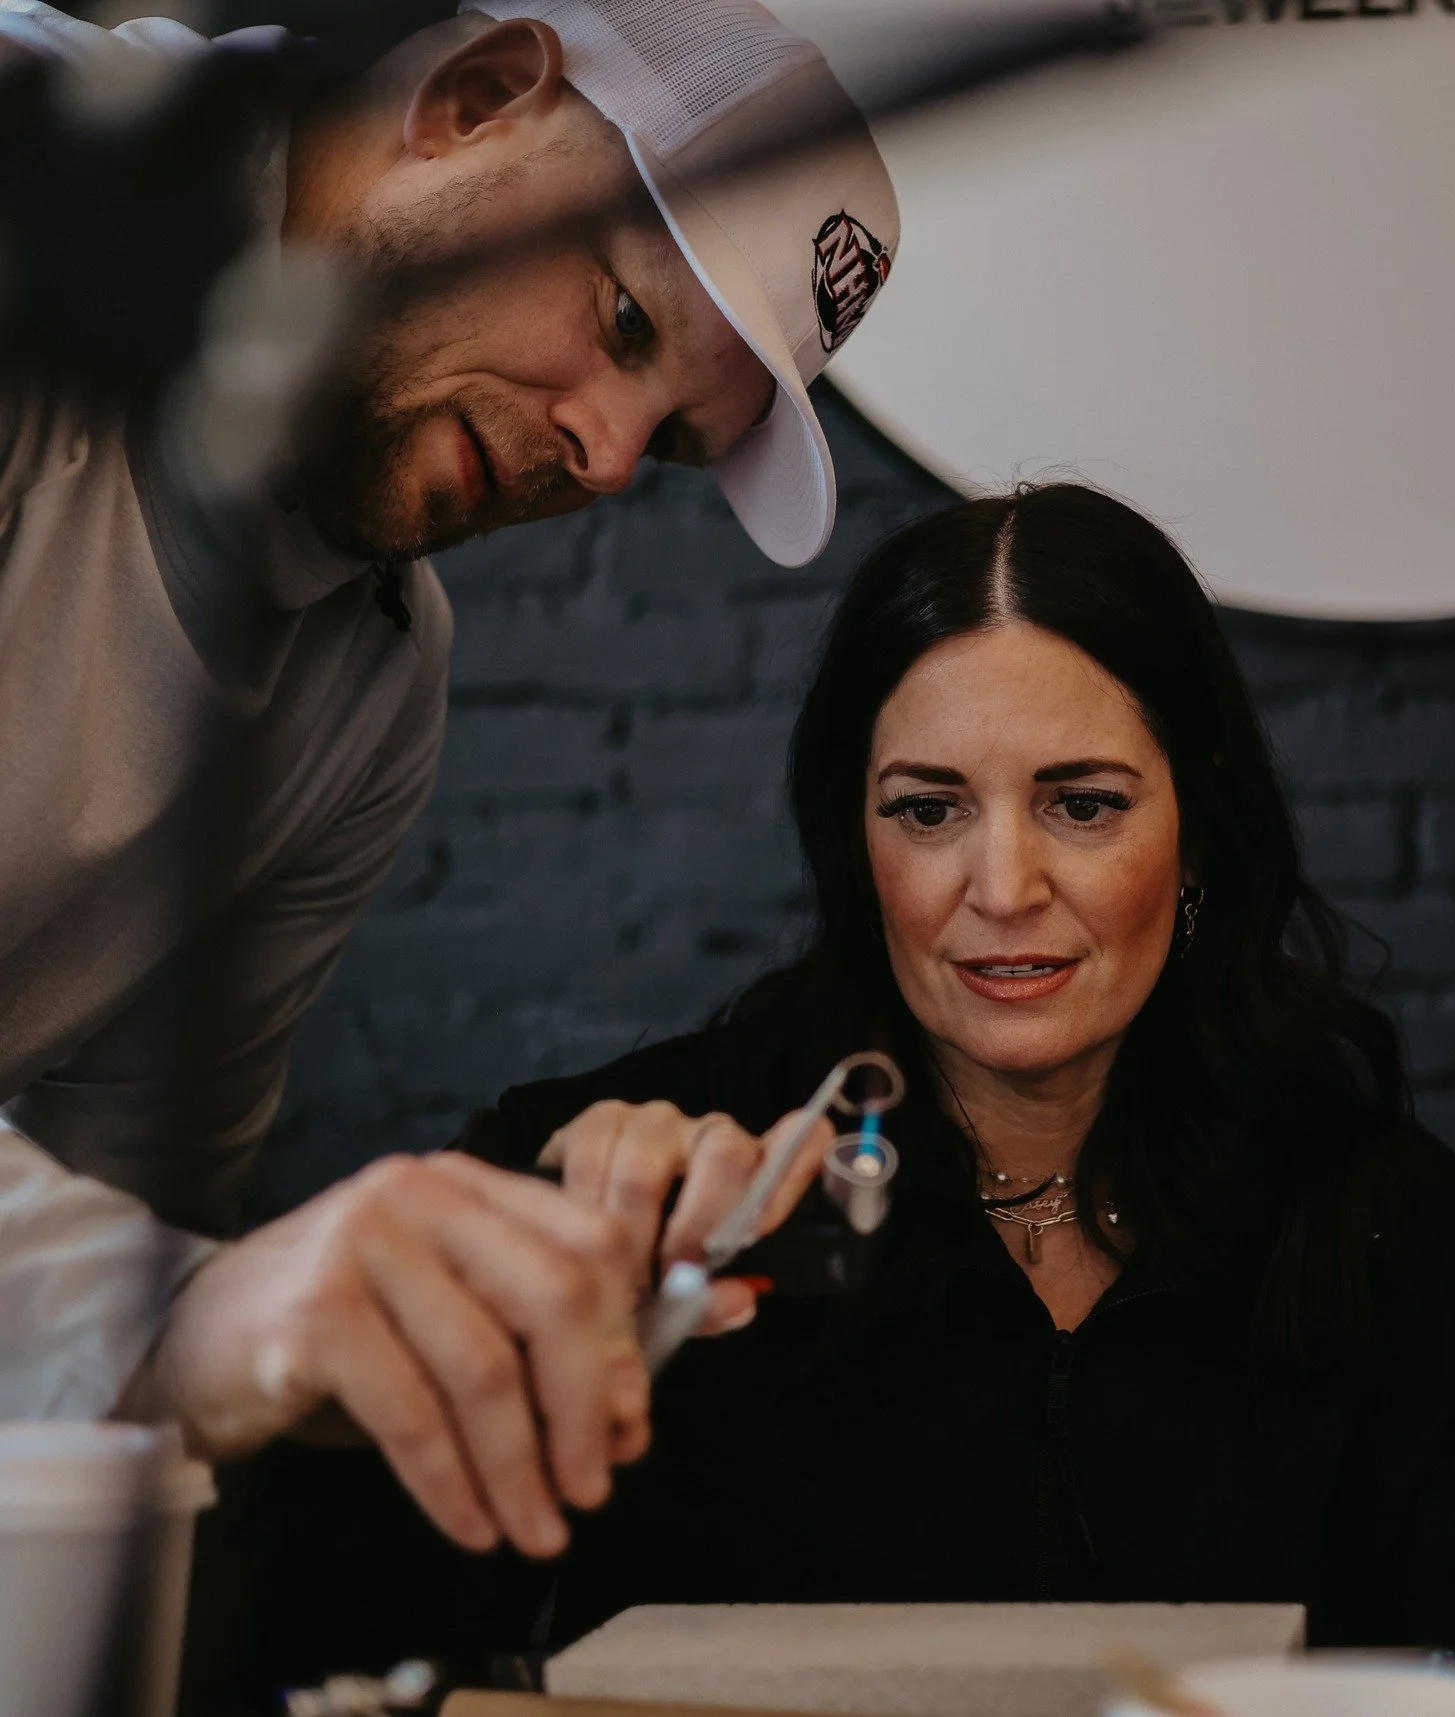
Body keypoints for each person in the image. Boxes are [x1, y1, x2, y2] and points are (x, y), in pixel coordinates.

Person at [232, 485, 1455, 1689]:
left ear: (1195, 835)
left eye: (1083, 804)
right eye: (928, 809)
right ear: (859, 841)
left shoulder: (1368, 1216)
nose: (1002, 890)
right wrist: (528, 1299)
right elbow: (314, 1648)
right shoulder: (640, 1180)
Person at [0, 0, 899, 1561]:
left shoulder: (373, 692)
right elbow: (150, 1319)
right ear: (472, 98)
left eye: (672, 444)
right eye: (623, 322)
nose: (609, 460)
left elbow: (125, 1266)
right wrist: (193, 1320)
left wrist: (402, 1326)